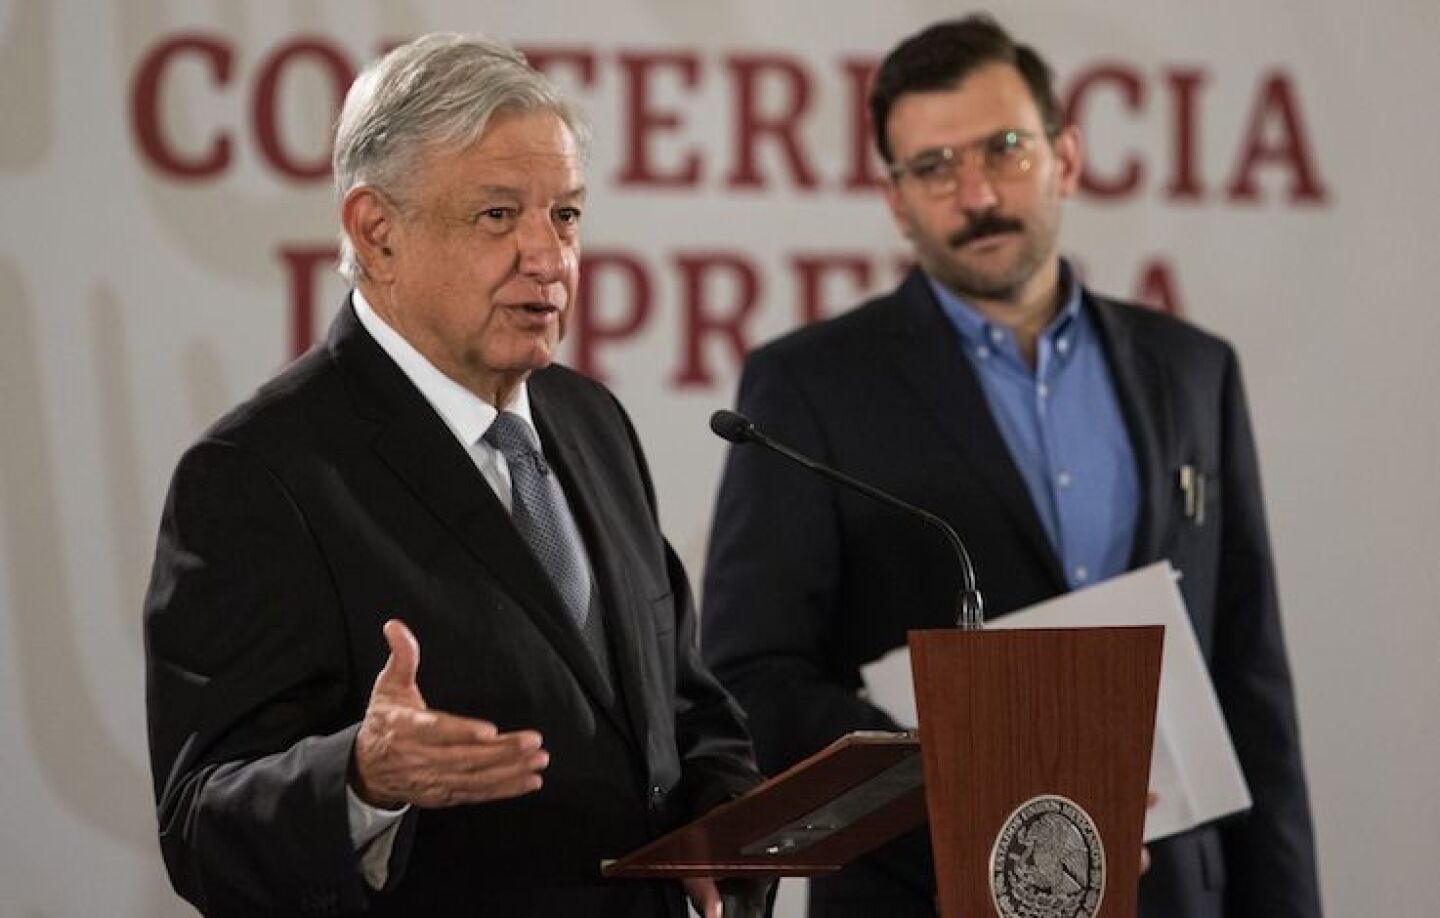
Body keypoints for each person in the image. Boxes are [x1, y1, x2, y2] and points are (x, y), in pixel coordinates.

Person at [701, 15, 1320, 918]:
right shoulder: (809, 386)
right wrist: (966, 769)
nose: (978, 193)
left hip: (1175, 893)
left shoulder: (1194, 371)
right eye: (934, 168)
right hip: (930, 888)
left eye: (1004, 150)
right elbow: (753, 680)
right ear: (897, 200)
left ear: (1066, 158)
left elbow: (1250, 678)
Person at [143, 33, 765, 917]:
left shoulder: (591, 421)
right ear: (377, 232)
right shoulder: (258, 475)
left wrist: (727, 815)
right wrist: (362, 776)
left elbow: (682, 706)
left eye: (568, 216)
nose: (549, 259)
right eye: (499, 216)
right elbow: (201, 823)